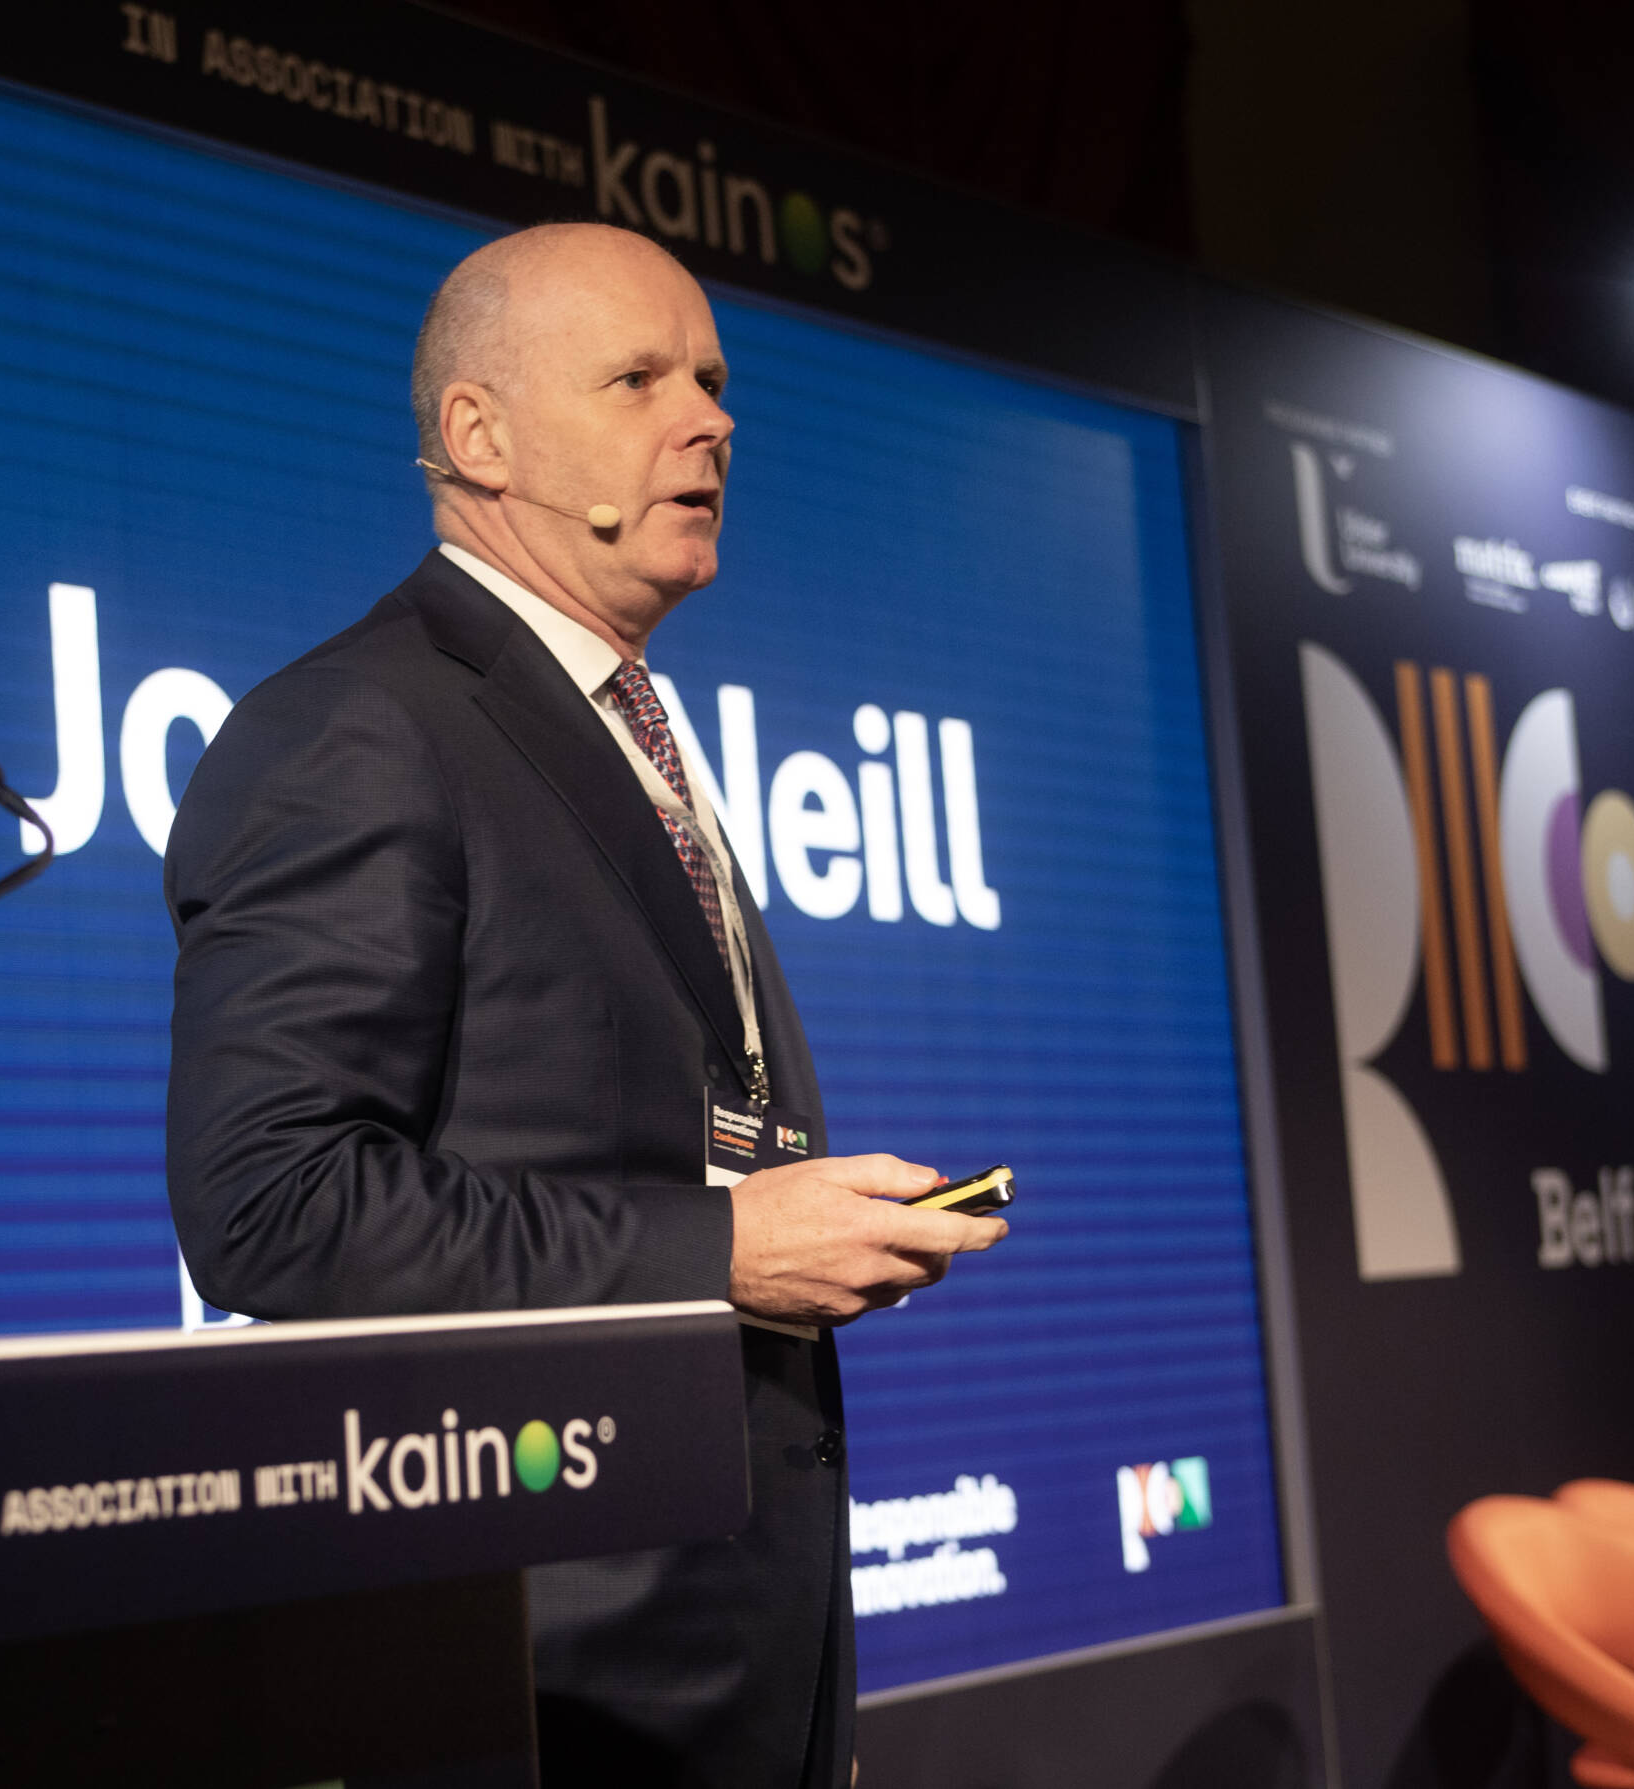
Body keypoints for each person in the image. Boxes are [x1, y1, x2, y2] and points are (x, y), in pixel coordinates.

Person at [164, 222, 1007, 1788]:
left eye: (714, 380)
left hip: (736, 1664)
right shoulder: (358, 725)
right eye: (637, 380)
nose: (710, 421)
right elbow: (272, 1202)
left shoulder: (617, 720)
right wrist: (721, 1249)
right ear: (478, 435)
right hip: (542, 1680)